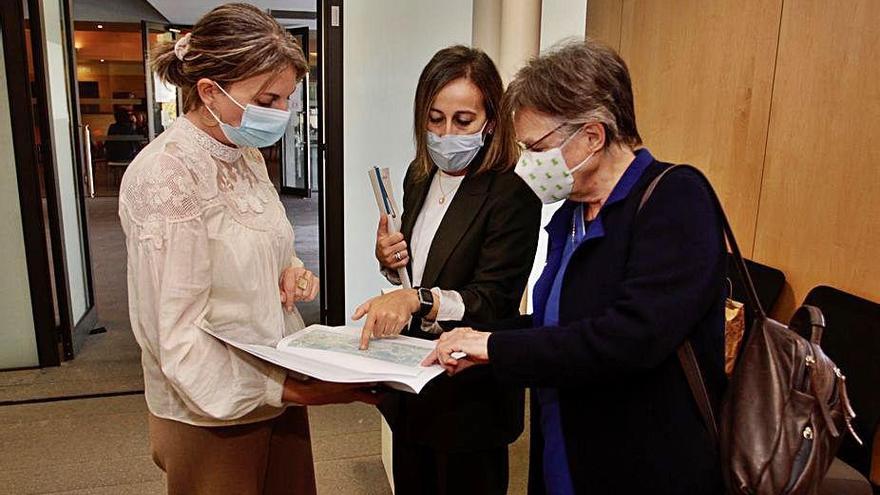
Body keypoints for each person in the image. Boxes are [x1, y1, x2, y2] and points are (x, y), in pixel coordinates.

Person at [426, 39, 727, 494]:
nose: (527, 164)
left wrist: (496, 348)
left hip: (643, 464)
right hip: (566, 446)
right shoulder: (571, 214)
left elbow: (630, 337)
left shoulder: (675, 199)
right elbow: (558, 324)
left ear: (592, 135)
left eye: (536, 147)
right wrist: (477, 338)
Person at [119, 4, 374, 494]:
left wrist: (290, 271)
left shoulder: (246, 153)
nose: (281, 114)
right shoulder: (167, 174)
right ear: (210, 92)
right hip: (210, 404)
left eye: (286, 99)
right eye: (267, 98)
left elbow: (265, 241)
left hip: (272, 376)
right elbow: (173, 333)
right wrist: (282, 388)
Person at [352, 45, 542, 494]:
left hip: (470, 392)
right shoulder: (420, 175)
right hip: (414, 382)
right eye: (435, 119)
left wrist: (419, 298)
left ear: (490, 120)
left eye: (463, 121)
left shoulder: (513, 190)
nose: (445, 134)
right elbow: (417, 274)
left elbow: (492, 297)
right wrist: (389, 261)